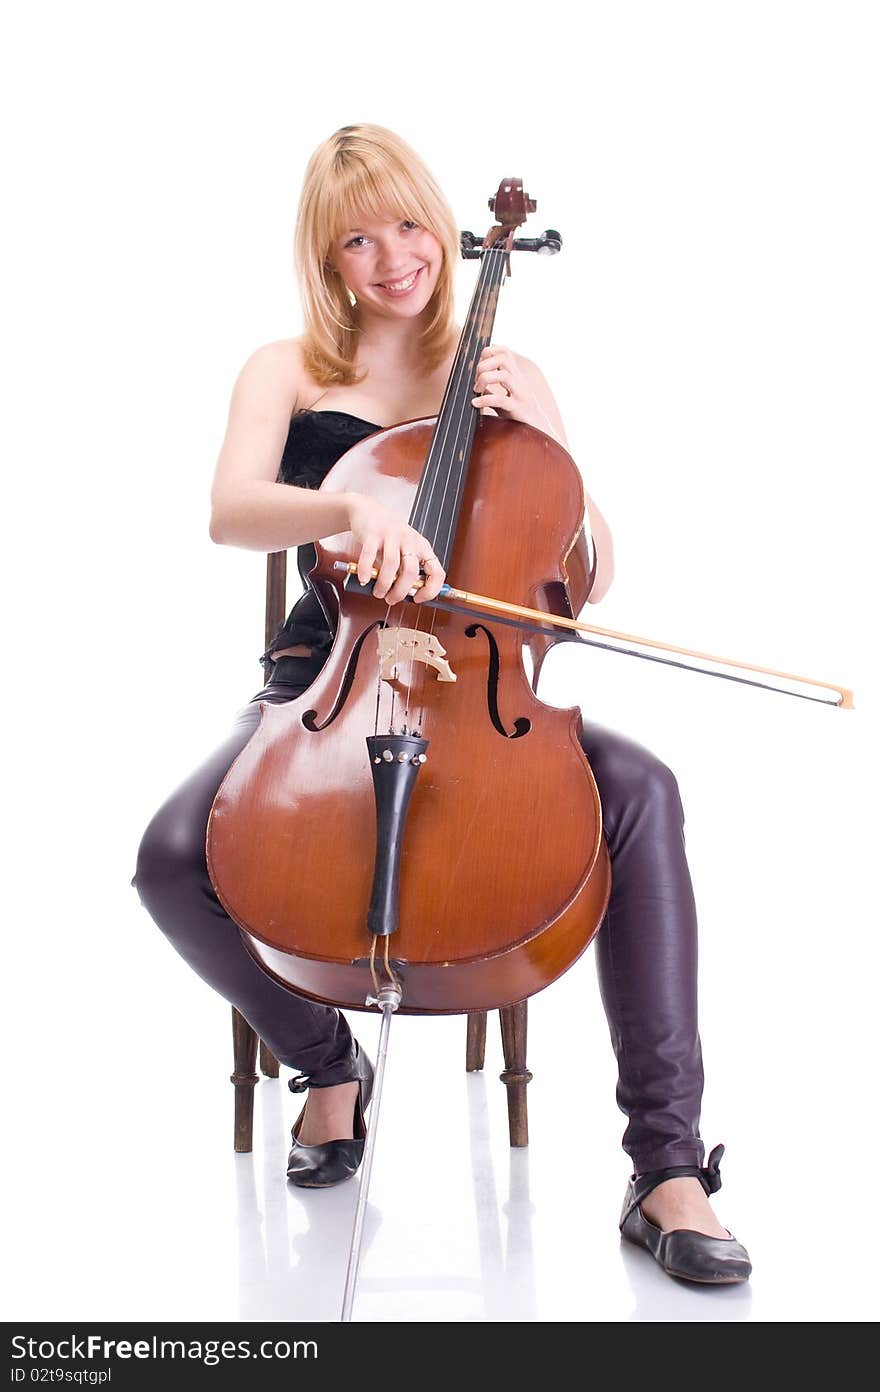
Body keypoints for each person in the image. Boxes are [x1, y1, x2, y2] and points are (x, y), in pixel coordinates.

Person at [132, 124, 751, 1286]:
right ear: (325, 256)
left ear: (445, 229)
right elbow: (229, 510)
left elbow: (583, 575)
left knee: (645, 793)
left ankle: (666, 1167)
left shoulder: (504, 374)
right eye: (354, 238)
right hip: (323, 684)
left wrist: (552, 438)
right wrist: (341, 511)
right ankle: (326, 1064)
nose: (392, 256)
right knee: (171, 858)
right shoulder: (289, 368)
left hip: (484, 695)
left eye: (409, 224)